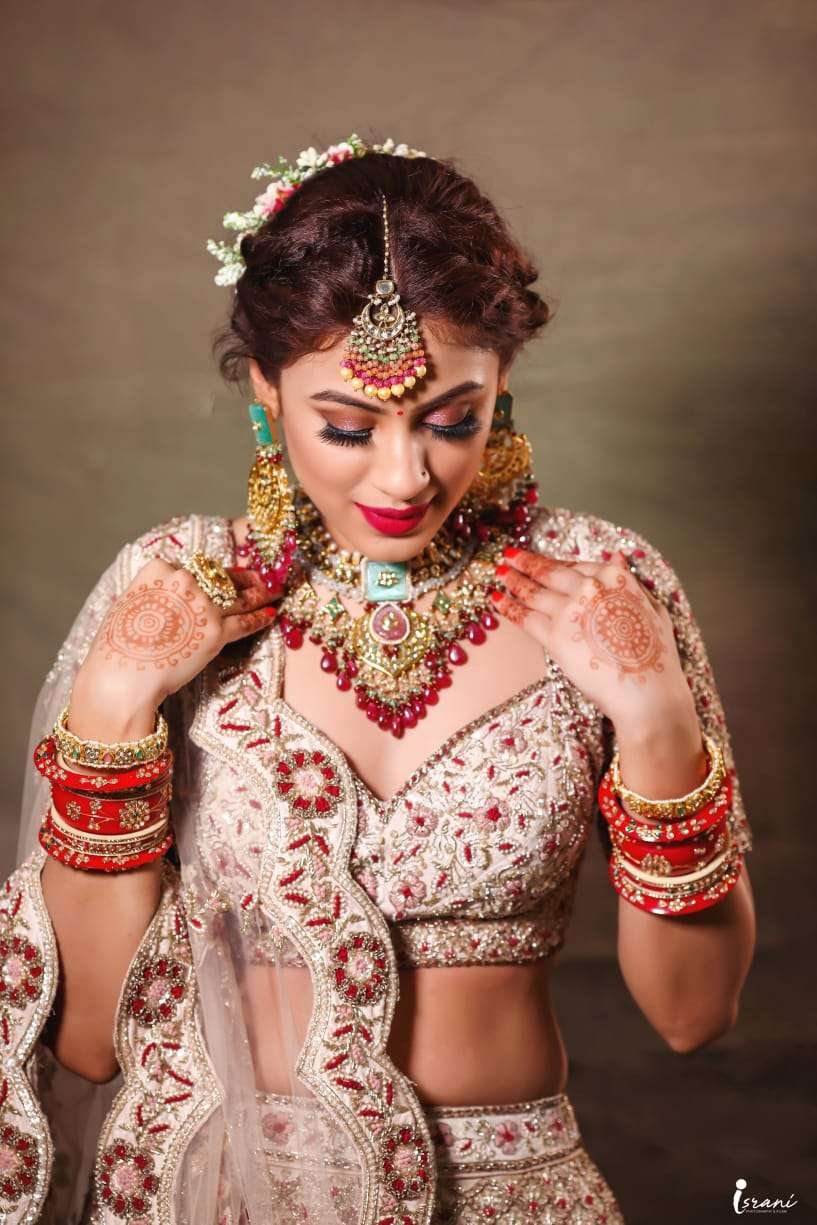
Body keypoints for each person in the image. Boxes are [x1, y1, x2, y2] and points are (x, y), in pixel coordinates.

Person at [6, 133, 756, 1224]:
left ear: (502, 385)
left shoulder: (603, 589)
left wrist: (654, 719)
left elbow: (692, 1016)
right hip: (229, 1193)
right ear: (266, 391)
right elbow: (86, 1043)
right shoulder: (173, 591)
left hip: (514, 1191)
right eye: (347, 428)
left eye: (451, 419)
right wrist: (114, 705)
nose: (404, 476)